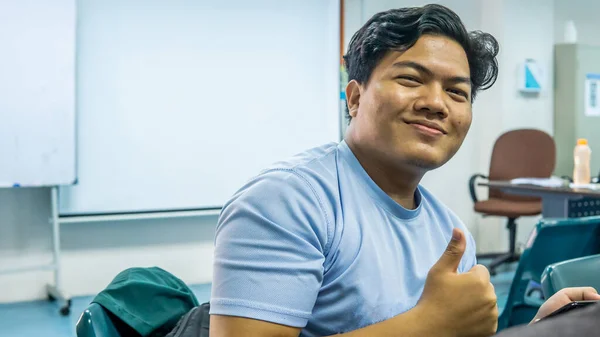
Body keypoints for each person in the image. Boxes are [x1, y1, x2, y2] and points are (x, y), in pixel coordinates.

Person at [208, 4, 600, 337]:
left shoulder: (449, 232)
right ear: (356, 97)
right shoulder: (288, 201)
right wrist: (427, 324)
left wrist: (537, 328)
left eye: (456, 92)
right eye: (411, 79)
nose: (436, 103)